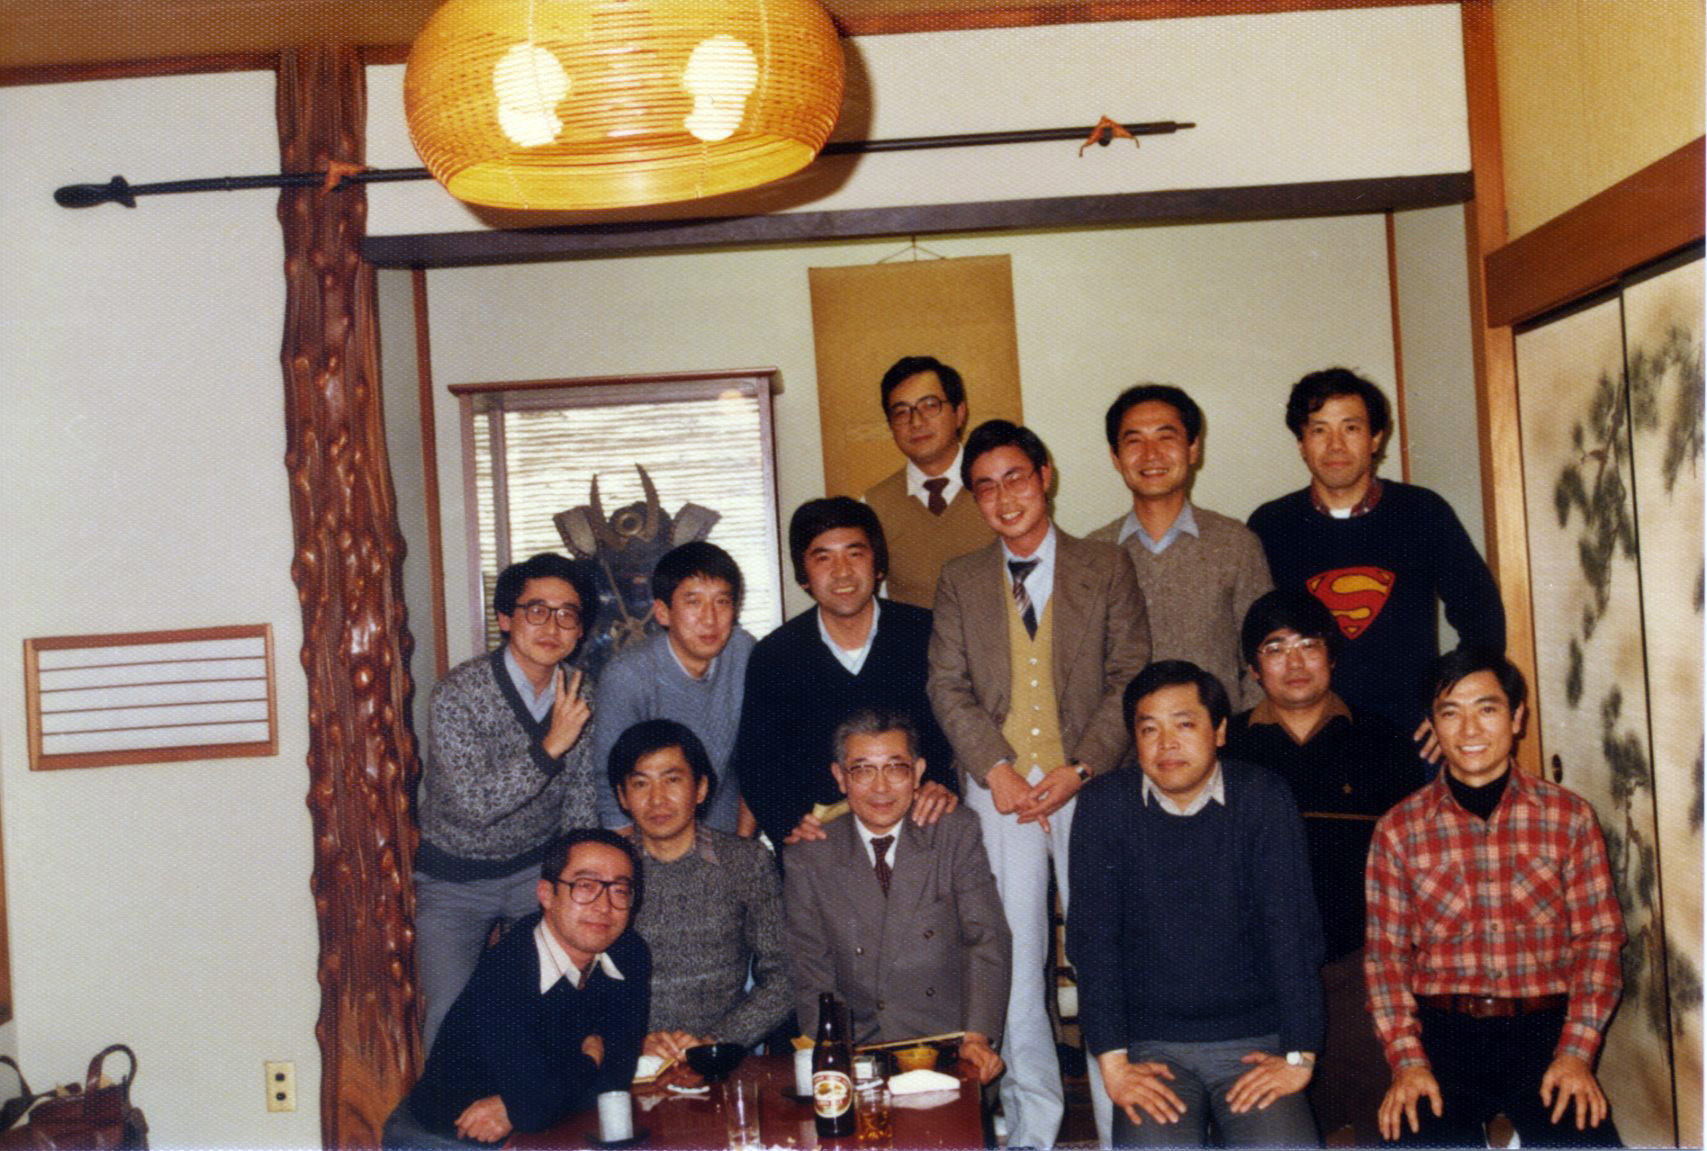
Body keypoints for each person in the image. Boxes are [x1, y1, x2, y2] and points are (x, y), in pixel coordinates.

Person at [927, 419, 1150, 1149]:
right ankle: (1031, 1127)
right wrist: (994, 768)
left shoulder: (1105, 566)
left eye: (1015, 478)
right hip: (1000, 790)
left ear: (1044, 476)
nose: (1003, 498)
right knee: (1012, 958)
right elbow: (947, 685)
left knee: (1102, 950)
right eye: (985, 487)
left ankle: (1122, 1128)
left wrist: (1079, 768)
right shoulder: (960, 578)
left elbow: (1129, 674)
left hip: (1091, 782)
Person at [1365, 649, 1625, 1147]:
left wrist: (1576, 1052)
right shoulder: (1398, 830)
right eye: (1450, 713)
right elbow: (1386, 958)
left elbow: (1599, 940)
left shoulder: (1569, 818)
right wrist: (1407, 1061)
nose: (1470, 730)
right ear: (1432, 726)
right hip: (1441, 1036)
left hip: (1546, 1032)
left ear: (1516, 717)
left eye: (1486, 709)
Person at [1067, 661, 1325, 1149]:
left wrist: (1299, 1057)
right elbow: (1093, 943)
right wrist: (1115, 1065)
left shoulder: (1262, 797)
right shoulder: (1105, 805)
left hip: (1253, 1041)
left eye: (1184, 724)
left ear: (1219, 730)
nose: (1166, 744)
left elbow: (1292, 935)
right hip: (1151, 1047)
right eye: (1149, 729)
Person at [1222, 589, 1424, 1145]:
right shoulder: (1227, 748)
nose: (1294, 662)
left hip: (1361, 971)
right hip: (1259, 979)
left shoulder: (1382, 739)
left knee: (1392, 1122)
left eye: (1308, 645)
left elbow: (1416, 862)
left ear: (1332, 656)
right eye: (1275, 648)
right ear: (1253, 668)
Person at [1246, 368, 1505, 738]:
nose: (1335, 445)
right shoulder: (1271, 524)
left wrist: (1451, 705)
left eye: (1351, 428)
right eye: (1319, 430)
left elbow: (1483, 617)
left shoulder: (1422, 512)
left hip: (1411, 733)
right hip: (1306, 733)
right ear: (1301, 443)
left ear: (1375, 438)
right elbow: (1253, 639)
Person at [414, 552, 602, 1051]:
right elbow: (475, 805)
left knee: (549, 1004)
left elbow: (580, 796)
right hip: (455, 878)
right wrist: (549, 747)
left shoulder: (579, 692)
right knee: (452, 1013)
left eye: (567, 614)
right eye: (536, 611)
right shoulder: (457, 693)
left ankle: (541, 1101)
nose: (552, 627)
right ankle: (447, 1102)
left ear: (580, 629)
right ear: (504, 618)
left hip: (535, 872)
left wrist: (575, 878)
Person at [782, 708, 1009, 1084]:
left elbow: (986, 940)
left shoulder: (953, 833)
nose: (881, 788)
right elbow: (812, 974)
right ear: (840, 778)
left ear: (918, 772)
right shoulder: (810, 857)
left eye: (895, 768)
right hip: (862, 1051)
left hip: (949, 1046)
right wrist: (836, 1056)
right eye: (862, 771)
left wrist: (977, 1038)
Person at [385, 829, 649, 1148]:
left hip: (541, 1128)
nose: (603, 906)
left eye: (619, 890)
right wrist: (590, 1060)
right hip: (445, 1138)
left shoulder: (629, 952)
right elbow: (536, 1108)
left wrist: (521, 1107)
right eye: (585, 886)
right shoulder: (507, 972)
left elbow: (616, 1080)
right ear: (546, 894)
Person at [734, 498, 957, 852]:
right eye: (823, 558)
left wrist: (944, 782)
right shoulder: (774, 655)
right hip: (822, 840)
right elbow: (756, 760)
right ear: (803, 575)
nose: (842, 572)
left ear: (877, 564)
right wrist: (788, 822)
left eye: (855, 554)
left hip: (921, 824)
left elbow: (959, 720)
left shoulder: (925, 633)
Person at [607, 719, 791, 1061]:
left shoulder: (746, 862)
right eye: (641, 783)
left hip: (723, 1057)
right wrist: (629, 1044)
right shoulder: (606, 869)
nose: (657, 799)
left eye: (672, 780)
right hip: (630, 1060)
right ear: (622, 796)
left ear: (701, 788)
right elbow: (579, 981)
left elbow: (784, 974)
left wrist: (717, 1042)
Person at [1090, 384, 1272, 708]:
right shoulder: (1093, 553)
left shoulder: (1236, 544)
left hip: (1220, 736)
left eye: (1165, 437)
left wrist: (1241, 733)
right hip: (1124, 740)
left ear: (1193, 448)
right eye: (1134, 440)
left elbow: (1264, 659)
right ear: (1115, 457)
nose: (1151, 454)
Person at [591, 540, 755, 836]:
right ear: (663, 612)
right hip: (651, 836)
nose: (710, 618)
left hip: (724, 832)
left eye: (721, 602)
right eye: (693, 602)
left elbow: (758, 760)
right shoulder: (627, 675)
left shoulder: (744, 652)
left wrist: (743, 849)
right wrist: (632, 857)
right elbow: (609, 782)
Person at [862, 355, 993, 607]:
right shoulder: (873, 507)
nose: (916, 422)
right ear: (891, 426)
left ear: (959, 413)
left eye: (930, 406)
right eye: (902, 412)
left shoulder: (997, 486)